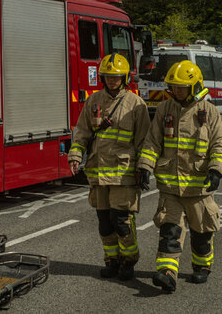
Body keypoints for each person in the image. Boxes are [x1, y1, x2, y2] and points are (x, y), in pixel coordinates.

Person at [137, 60, 222, 293]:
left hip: (199, 188)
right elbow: (152, 142)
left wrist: (216, 171)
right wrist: (145, 167)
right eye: (174, 87)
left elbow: (219, 144)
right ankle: (167, 273)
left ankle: (202, 266)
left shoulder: (209, 112)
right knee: (170, 230)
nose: (177, 91)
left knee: (201, 233)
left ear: (195, 86)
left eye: (182, 87)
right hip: (170, 186)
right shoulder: (164, 110)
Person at [67, 54, 151, 280]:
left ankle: (129, 261)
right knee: (104, 223)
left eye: (116, 77)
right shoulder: (93, 101)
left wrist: (144, 167)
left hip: (124, 175)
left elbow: (144, 140)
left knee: (122, 222)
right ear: (102, 77)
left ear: (124, 77)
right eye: (108, 77)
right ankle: (111, 260)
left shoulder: (136, 104)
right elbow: (82, 132)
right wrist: (75, 155)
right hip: (98, 175)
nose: (112, 80)